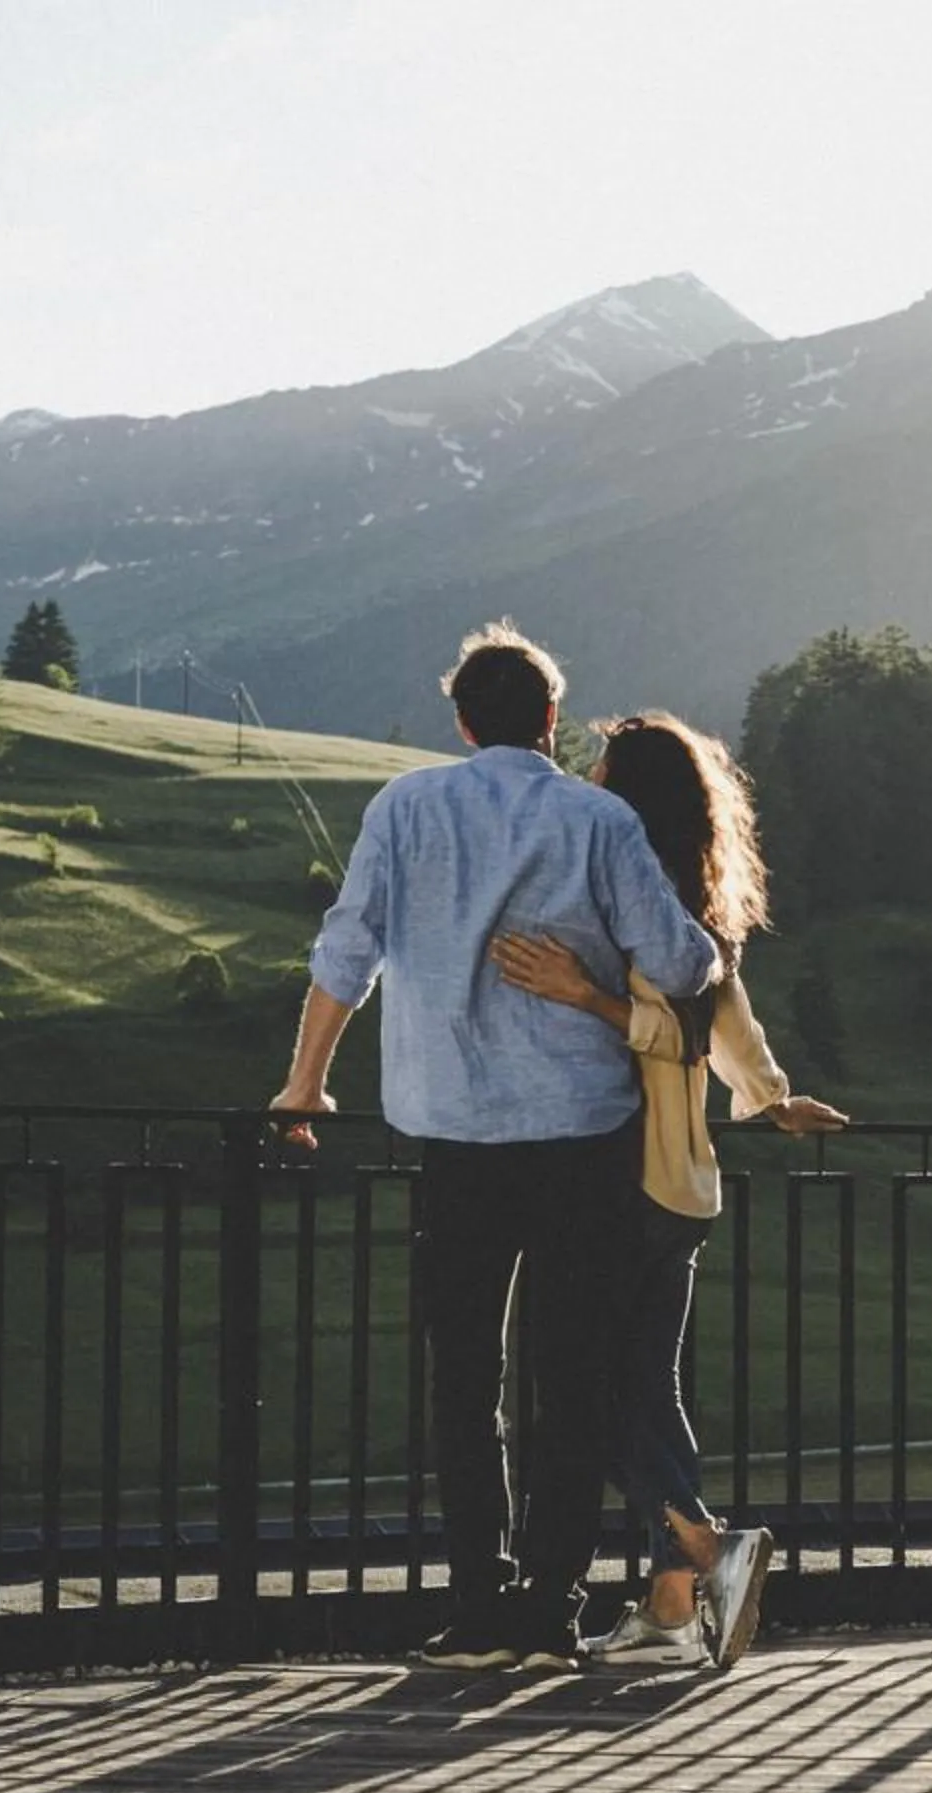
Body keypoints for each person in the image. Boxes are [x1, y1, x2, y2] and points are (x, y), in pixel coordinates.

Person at [271, 624, 720, 1671]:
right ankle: (549, 1606)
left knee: (462, 1379)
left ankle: (474, 1604)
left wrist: (305, 1082)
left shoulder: (404, 807)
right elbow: (684, 961)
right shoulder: (599, 818)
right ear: (554, 721)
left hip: (454, 1139)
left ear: (464, 721)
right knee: (564, 1381)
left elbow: (349, 949)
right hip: (582, 1139)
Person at [487, 711, 848, 1670]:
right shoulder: (699, 899)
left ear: (627, 792)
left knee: (593, 1397)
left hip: (621, 1178)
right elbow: (732, 1027)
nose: (589, 783)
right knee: (649, 1386)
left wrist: (583, 996)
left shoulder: (630, 896)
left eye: (602, 770)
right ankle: (673, 1604)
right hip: (684, 1188)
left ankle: (703, 1546)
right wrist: (770, 1100)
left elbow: (678, 1033)